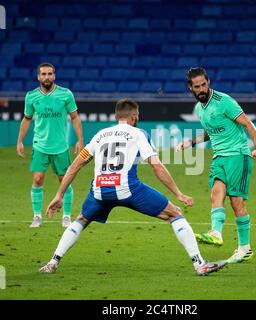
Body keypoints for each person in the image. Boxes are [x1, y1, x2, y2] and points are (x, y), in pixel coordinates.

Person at [39, 98, 227, 276]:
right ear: (134, 116)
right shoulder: (138, 133)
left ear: (116, 116)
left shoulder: (100, 135)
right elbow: (156, 165)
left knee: (81, 219)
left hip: (100, 191)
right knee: (174, 213)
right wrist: (178, 193)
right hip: (127, 188)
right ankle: (199, 264)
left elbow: (75, 165)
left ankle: (53, 262)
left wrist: (59, 194)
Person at [176, 67, 256, 264]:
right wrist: (190, 142)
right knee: (216, 193)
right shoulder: (200, 109)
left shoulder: (225, 102)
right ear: (190, 88)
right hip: (219, 157)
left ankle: (244, 249)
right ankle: (216, 232)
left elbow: (247, 123)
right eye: (197, 86)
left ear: (209, 82)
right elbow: (211, 131)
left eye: (204, 85)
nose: (201, 89)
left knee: (236, 202)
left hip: (238, 156)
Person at [16, 63, 84, 228]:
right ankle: (37, 216)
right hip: (40, 145)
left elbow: (75, 117)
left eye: (50, 74)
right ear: (38, 77)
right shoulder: (31, 96)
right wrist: (19, 141)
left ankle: (66, 216)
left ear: (54, 76)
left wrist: (80, 140)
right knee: (37, 179)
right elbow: (26, 119)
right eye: (43, 74)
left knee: (64, 181)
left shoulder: (65, 94)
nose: (47, 77)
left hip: (60, 146)